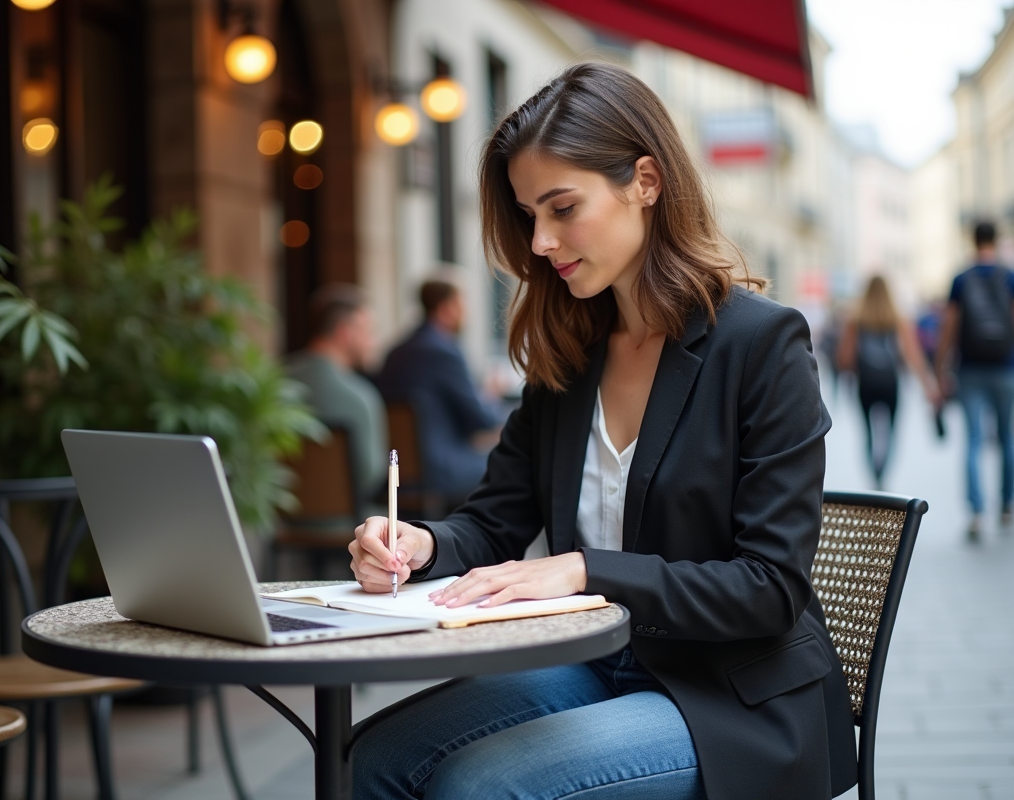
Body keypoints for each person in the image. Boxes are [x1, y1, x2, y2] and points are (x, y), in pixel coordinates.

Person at [348, 62, 856, 800]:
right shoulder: (572, 350)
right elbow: (495, 523)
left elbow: (769, 588)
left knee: (480, 787)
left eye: (562, 208)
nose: (542, 241)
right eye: (529, 216)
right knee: (372, 758)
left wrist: (586, 568)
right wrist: (421, 545)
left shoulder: (761, 344)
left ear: (645, 181)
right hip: (599, 660)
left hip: (732, 696)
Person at [376, 279, 501, 502]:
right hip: (439, 469)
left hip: (398, 469)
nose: (466, 313)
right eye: (462, 305)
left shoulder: (395, 351)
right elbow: (481, 419)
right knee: (508, 465)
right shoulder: (444, 351)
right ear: (447, 308)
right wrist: (493, 394)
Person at [935, 221, 1014, 540]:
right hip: (1005, 367)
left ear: (973, 240)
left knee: (973, 441)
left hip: (969, 369)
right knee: (1007, 437)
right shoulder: (1008, 276)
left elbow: (950, 327)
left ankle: (976, 513)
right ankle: (1007, 505)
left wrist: (941, 368)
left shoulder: (961, 279)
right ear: (996, 240)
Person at [286, 283, 388, 505]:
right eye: (369, 332)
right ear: (345, 333)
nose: (374, 342)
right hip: (350, 525)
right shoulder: (360, 397)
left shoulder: (277, 383)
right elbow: (371, 476)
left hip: (283, 523)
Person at [836, 275, 940, 488]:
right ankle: (883, 475)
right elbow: (914, 356)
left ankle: (874, 476)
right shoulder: (898, 320)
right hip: (890, 384)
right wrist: (929, 387)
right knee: (891, 432)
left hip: (865, 385)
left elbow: (844, 360)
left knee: (867, 433)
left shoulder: (856, 321)